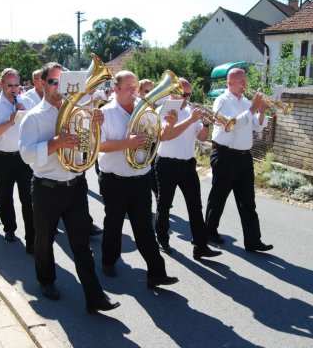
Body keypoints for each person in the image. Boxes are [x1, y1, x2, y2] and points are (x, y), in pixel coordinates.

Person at [19, 62, 119, 313]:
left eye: (62, 82)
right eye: (52, 81)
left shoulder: (79, 111)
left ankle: (94, 296)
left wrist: (96, 125)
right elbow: (26, 154)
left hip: (75, 185)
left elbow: (90, 145)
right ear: (41, 84)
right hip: (46, 188)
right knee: (44, 240)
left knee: (81, 243)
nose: (58, 87)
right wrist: (55, 143)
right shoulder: (33, 117)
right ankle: (46, 280)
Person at [98, 70, 179, 288]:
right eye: (129, 88)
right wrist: (127, 143)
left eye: (136, 87)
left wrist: (169, 125)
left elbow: (162, 137)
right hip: (114, 179)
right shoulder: (105, 113)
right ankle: (108, 260)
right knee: (113, 222)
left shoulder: (147, 111)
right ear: (115, 89)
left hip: (141, 178)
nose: (134, 92)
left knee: (143, 226)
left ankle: (156, 272)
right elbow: (100, 146)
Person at [205, 68, 273, 252]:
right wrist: (253, 108)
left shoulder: (245, 101)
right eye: (241, 81)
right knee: (219, 196)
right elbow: (231, 125)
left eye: (245, 80)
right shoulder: (221, 100)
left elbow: (258, 128)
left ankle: (253, 241)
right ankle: (209, 231)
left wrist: (261, 112)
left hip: (244, 157)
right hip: (225, 155)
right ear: (229, 83)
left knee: (248, 201)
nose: (245, 84)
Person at [153, 77, 221, 260]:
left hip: (188, 164)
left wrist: (206, 124)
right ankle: (162, 238)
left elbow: (202, 138)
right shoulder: (163, 111)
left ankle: (200, 246)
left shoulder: (191, 111)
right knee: (164, 204)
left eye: (189, 94)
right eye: (184, 94)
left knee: (195, 206)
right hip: (167, 163)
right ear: (173, 93)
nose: (187, 98)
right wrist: (191, 120)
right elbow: (166, 136)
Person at [0, 68, 36, 252]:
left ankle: (32, 239)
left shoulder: (26, 101)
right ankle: (9, 229)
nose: (14, 90)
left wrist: (26, 114)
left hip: (23, 157)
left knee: (29, 199)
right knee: (4, 197)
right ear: (1, 85)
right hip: (1, 158)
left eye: (16, 85)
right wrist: (10, 121)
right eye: (9, 85)